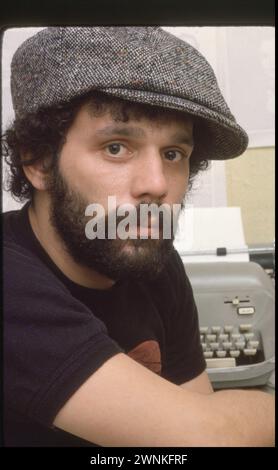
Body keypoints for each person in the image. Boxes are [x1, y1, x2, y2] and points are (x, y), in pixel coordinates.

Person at [3, 26, 274, 447]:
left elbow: (190, 417)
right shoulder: (10, 281)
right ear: (37, 161)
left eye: (173, 154)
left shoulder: (155, 262)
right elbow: (204, 435)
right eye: (116, 147)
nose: (157, 184)